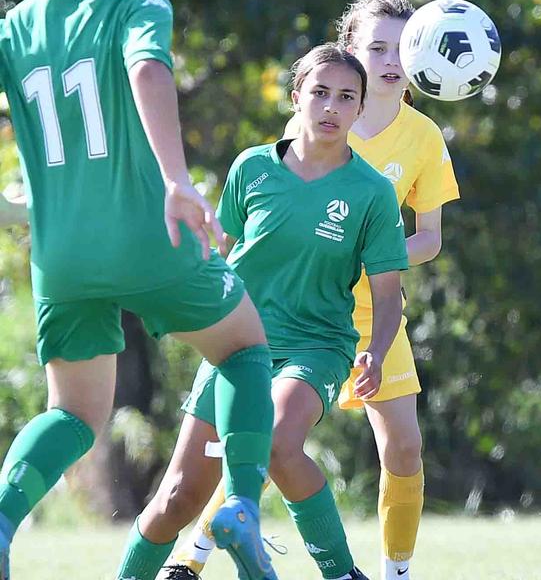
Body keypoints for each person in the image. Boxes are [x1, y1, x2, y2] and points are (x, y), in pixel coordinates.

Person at [0, 0, 277, 578]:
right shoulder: (136, 8)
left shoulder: (14, 27)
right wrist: (179, 182)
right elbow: (147, 72)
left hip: (61, 255)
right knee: (245, 350)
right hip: (149, 239)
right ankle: (241, 505)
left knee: (73, 417)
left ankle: (1, 520)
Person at [165, 0, 459, 580]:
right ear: (349, 51)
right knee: (260, 437)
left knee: (403, 448)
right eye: (376, 46)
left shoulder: (424, 137)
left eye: (402, 47)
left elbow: (430, 237)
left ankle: (396, 572)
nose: (390, 58)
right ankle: (190, 558)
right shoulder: (317, 120)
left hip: (376, 310)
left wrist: (372, 256)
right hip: (292, 311)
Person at [115, 44, 409, 580]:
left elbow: (388, 293)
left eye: (346, 97)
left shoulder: (371, 192)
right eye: (319, 92)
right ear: (296, 96)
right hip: (236, 346)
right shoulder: (251, 168)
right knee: (179, 496)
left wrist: (376, 351)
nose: (330, 107)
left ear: (360, 109)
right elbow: (218, 257)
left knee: (277, 442)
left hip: (315, 347)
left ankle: (343, 574)